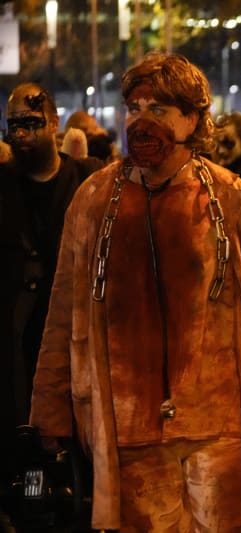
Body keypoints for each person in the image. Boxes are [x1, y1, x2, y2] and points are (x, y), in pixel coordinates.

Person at [28, 52, 241, 532]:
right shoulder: (93, 200)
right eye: (134, 108)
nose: (141, 122)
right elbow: (63, 313)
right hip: (128, 430)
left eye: (160, 110)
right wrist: (49, 410)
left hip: (218, 429)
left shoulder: (233, 200)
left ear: (193, 119)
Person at [0, 83, 103, 528]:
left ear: (54, 123)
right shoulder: (3, 184)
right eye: (14, 125)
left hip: (73, 337)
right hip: (15, 343)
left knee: (75, 451)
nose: (22, 135)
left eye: (31, 123)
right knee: (25, 453)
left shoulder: (88, 180)